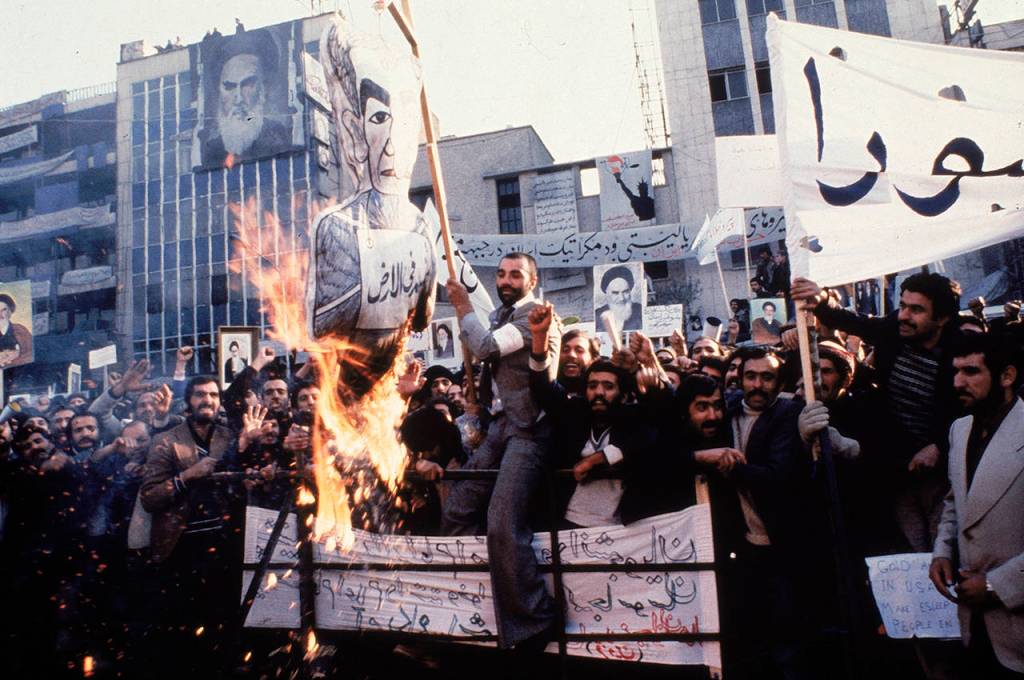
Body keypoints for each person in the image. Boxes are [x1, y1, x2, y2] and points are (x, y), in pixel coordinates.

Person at [791, 272, 963, 553]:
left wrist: (939, 446)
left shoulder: (962, 352)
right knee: (913, 550)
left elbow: (974, 410)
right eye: (903, 305)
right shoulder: (894, 330)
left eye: (916, 309)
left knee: (944, 549)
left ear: (942, 319)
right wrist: (820, 299)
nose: (904, 315)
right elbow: (853, 321)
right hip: (898, 468)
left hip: (947, 474)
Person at [309, 17, 436, 395]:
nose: (394, 143)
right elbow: (321, 327)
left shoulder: (420, 228)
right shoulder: (338, 226)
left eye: (404, 121)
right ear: (354, 127)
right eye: (379, 118)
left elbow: (421, 320)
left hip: (386, 388)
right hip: (345, 390)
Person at [441, 252, 559, 652]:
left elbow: (489, 348)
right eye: (502, 274)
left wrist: (461, 306)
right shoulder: (500, 315)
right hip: (497, 429)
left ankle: (535, 618)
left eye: (516, 275)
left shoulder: (534, 318)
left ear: (533, 279)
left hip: (528, 430)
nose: (507, 281)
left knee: (503, 522)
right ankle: (479, 597)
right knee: (457, 508)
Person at [930, 334, 1024, 678]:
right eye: (955, 372)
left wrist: (996, 584)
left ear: (1007, 376)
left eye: (971, 371)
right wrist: (941, 552)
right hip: (975, 626)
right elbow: (956, 501)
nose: (958, 383)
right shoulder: (960, 428)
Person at [140, 376, 240, 674]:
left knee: (226, 626)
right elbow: (149, 497)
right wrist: (187, 476)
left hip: (226, 547)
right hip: (181, 549)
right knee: (182, 632)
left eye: (213, 394)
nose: (207, 400)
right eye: (199, 395)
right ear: (188, 402)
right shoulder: (166, 440)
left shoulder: (231, 436)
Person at [201, 31, 290, 166]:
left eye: (247, 84)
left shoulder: (278, 136)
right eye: (229, 87)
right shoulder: (213, 151)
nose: (238, 99)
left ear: (263, 88)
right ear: (219, 91)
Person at [594, 265, 643, 331]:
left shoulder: (641, 311)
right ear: (607, 293)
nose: (621, 298)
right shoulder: (597, 316)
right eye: (615, 293)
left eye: (625, 292)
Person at [0, 293, 32, 368]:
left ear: (10, 311)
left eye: (3, 310)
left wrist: (18, 353)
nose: (0, 315)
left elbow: (32, 352)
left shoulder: (20, 330)